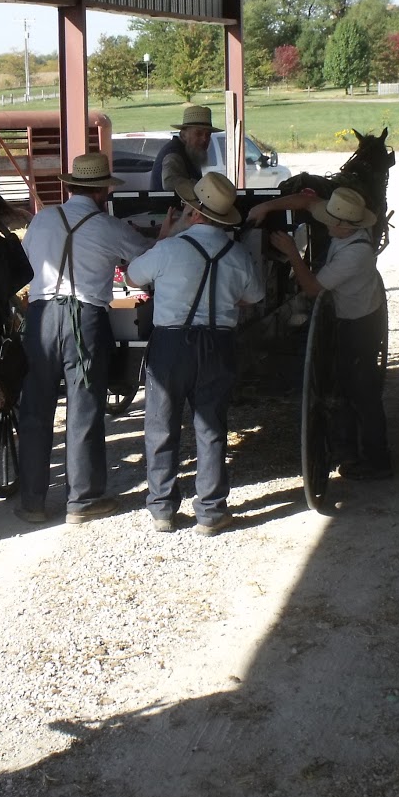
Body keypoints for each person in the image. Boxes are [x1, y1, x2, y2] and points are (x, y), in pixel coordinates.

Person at [14, 151, 156, 526]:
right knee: (84, 409)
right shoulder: (110, 226)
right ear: (101, 192)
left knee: (34, 410)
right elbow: (145, 262)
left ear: (71, 186)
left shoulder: (42, 221)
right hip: (86, 318)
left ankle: (32, 501)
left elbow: (24, 267)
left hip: (42, 315)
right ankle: (83, 499)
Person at [126, 173, 264, 535]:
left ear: (195, 213)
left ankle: (162, 508)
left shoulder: (170, 248)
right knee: (211, 426)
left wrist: (166, 236)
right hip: (218, 343)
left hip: (171, 343)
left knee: (161, 424)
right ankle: (211, 510)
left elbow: (132, 277)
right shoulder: (238, 254)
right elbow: (254, 297)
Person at [266, 187, 391, 480]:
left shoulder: (356, 255)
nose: (326, 224)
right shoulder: (345, 224)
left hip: (358, 326)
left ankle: (378, 462)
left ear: (346, 226)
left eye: (331, 222)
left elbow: (313, 288)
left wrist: (291, 254)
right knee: (351, 388)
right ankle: (350, 449)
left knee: (362, 393)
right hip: (356, 316)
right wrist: (265, 208)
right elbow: (306, 202)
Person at [147, 103, 221, 192]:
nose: (204, 139)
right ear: (183, 134)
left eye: (208, 135)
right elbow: (170, 183)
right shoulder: (173, 155)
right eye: (198, 134)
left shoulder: (191, 152)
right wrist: (205, 189)